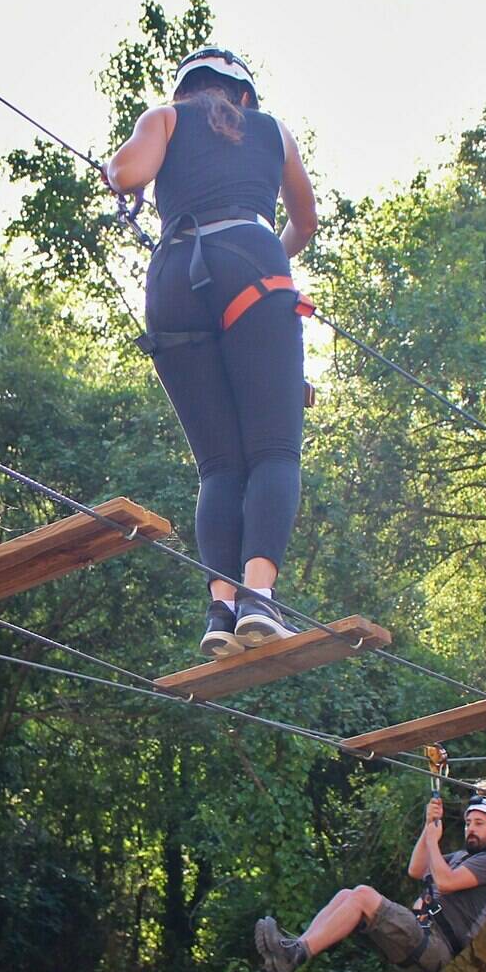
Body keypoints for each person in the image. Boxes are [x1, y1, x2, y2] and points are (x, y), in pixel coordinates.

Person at [103, 47, 319, 658]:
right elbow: (305, 223)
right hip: (252, 261)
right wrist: (260, 262)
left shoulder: (165, 118)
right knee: (273, 449)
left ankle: (221, 610)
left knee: (219, 465)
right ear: (245, 96)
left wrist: (116, 172)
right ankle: (259, 599)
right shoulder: (273, 133)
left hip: (173, 276)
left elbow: (127, 174)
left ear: (189, 90)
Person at [253, 796, 486, 972]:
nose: (470, 829)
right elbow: (416, 869)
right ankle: (295, 948)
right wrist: (428, 826)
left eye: (479, 824)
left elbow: (445, 883)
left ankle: (296, 953)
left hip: (434, 944)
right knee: (347, 895)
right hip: (416, 936)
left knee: (364, 895)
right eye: (469, 823)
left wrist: (434, 841)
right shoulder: (458, 858)